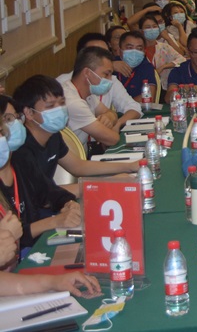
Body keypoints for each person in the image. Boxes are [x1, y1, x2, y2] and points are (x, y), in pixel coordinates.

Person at [11, 75, 139, 185]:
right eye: (51, 106)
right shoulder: (22, 149)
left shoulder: (53, 136)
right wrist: (107, 182)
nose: (60, 109)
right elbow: (44, 194)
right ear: (29, 112)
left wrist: (129, 166)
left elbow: (78, 166)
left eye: (62, 103)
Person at [0, 95, 82, 252]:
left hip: (34, 248)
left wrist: (68, 204)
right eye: (8, 119)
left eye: (17, 117)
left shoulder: (20, 159)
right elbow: (9, 238)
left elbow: (49, 192)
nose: (16, 124)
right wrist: (54, 222)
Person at [60, 47, 123, 148]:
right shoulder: (73, 102)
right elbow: (112, 139)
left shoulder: (87, 93)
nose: (110, 80)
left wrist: (109, 117)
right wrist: (110, 122)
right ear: (87, 73)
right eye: (106, 74)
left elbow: (110, 112)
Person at [114, 30, 158, 102]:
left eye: (139, 49)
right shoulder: (110, 64)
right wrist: (111, 66)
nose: (134, 52)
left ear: (144, 52)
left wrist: (123, 105)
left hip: (134, 108)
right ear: (119, 50)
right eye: (129, 48)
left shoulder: (147, 67)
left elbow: (149, 97)